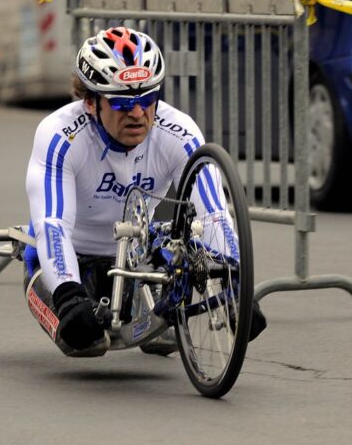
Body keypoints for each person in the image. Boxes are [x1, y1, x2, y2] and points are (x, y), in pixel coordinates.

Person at [23, 26, 266, 354]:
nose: (138, 113)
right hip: (72, 255)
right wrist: (67, 294)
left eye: (148, 98)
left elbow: (213, 213)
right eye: (123, 103)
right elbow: (53, 225)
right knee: (85, 341)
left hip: (136, 253)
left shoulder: (178, 132)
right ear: (92, 102)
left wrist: (236, 283)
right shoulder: (60, 136)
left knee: (165, 340)